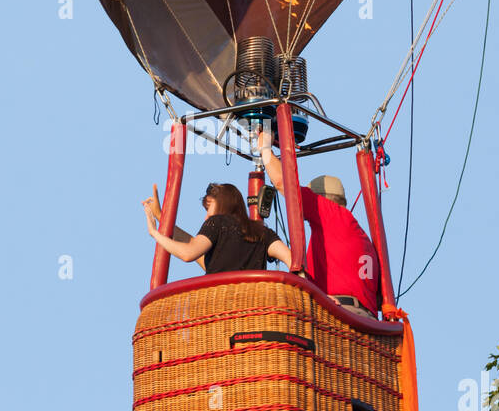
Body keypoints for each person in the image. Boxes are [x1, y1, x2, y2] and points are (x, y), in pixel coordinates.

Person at [257, 129, 380, 318]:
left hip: (341, 314)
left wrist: (265, 149)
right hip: (365, 324)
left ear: (322, 200)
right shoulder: (359, 237)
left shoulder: (332, 215)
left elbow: (284, 185)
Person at [145, 182, 291, 274]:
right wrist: (161, 217)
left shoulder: (217, 222)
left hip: (221, 310)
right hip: (252, 313)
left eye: (209, 208)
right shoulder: (262, 232)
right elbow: (291, 260)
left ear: (223, 204)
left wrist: (155, 233)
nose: (206, 217)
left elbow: (188, 253)